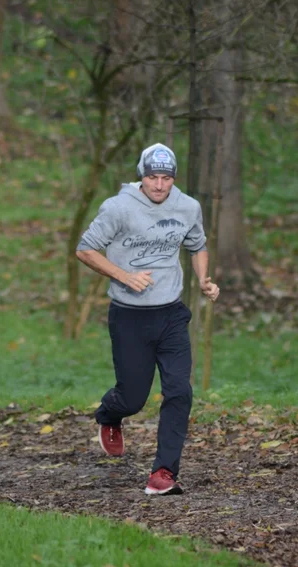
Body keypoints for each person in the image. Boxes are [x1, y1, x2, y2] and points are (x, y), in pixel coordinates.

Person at [75, 143, 220, 495]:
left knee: (179, 391)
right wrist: (124, 276)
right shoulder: (119, 207)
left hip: (170, 314)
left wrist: (202, 279)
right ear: (142, 176)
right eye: (153, 177)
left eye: (166, 178)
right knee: (132, 399)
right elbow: (85, 249)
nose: (159, 185)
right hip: (129, 317)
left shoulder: (187, 206)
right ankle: (110, 415)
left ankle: (164, 472)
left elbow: (197, 244)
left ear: (173, 179)